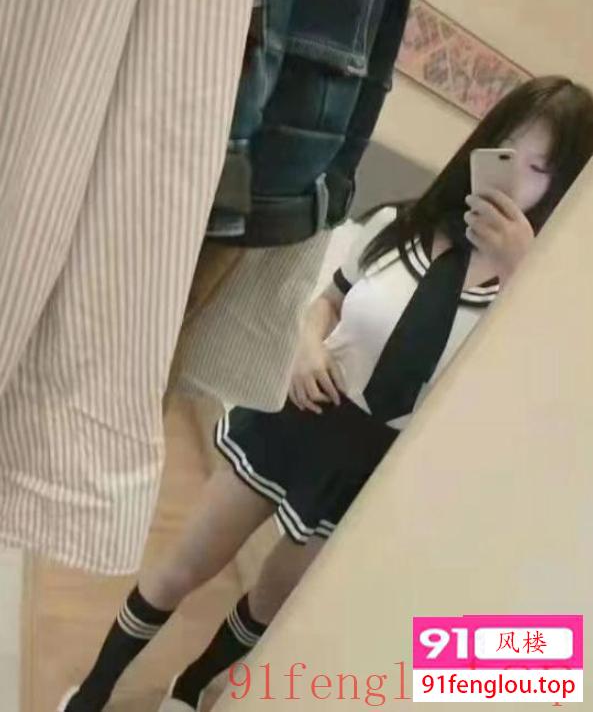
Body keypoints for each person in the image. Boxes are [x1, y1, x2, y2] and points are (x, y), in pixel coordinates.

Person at [58, 76, 593, 712]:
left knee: (269, 605)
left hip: (371, 467)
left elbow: (509, 411)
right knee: (181, 567)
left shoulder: (528, 311)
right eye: (506, 149)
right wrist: (307, 346)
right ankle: (94, 690)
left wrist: (527, 275)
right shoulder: (401, 224)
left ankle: (190, 691)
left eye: (539, 168)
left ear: (563, 186)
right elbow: (327, 303)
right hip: (300, 418)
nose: (514, 178)